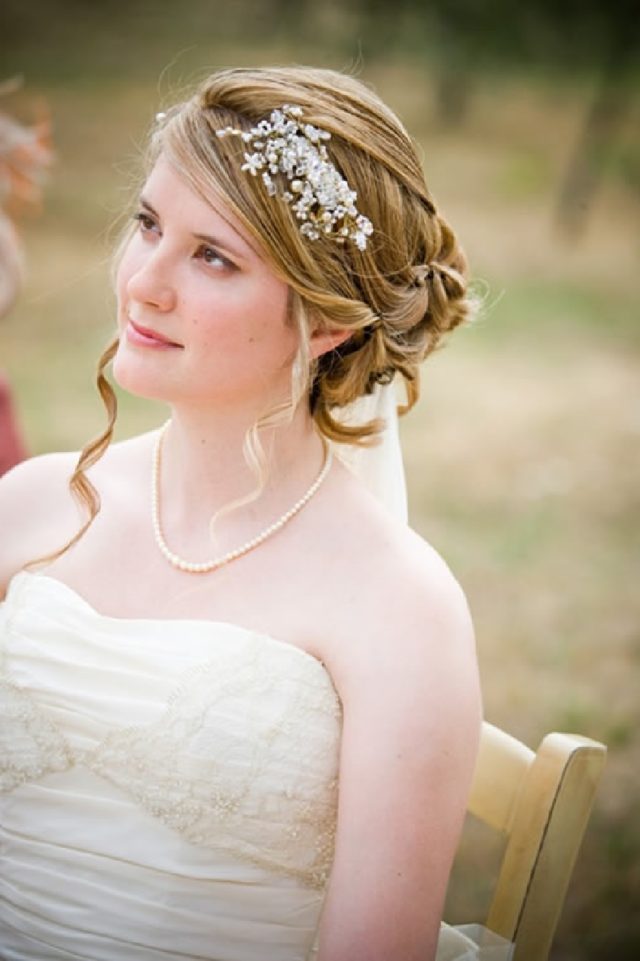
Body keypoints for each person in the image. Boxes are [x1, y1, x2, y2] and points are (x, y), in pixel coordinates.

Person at [0, 67, 513, 961]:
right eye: (149, 226)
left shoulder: (400, 607)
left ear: (328, 324)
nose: (145, 284)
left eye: (214, 257)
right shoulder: (35, 503)